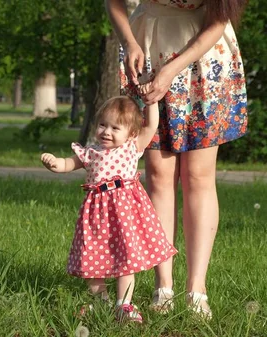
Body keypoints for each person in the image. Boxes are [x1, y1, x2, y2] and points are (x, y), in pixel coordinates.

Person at [106, 0, 248, 319]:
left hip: (203, 56)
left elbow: (218, 20)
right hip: (148, 49)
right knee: (158, 174)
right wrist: (128, 41)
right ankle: (163, 287)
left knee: (198, 176)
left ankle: (197, 290)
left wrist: (173, 69)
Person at [40, 94, 178, 323]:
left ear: (131, 134)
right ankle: (100, 300)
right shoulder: (91, 151)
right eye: (103, 124)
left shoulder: (132, 147)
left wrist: (152, 102)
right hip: (96, 217)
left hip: (125, 216)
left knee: (125, 261)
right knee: (92, 260)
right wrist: (55, 163)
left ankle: (123, 305)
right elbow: (68, 164)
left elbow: (152, 124)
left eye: (115, 127)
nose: (106, 131)